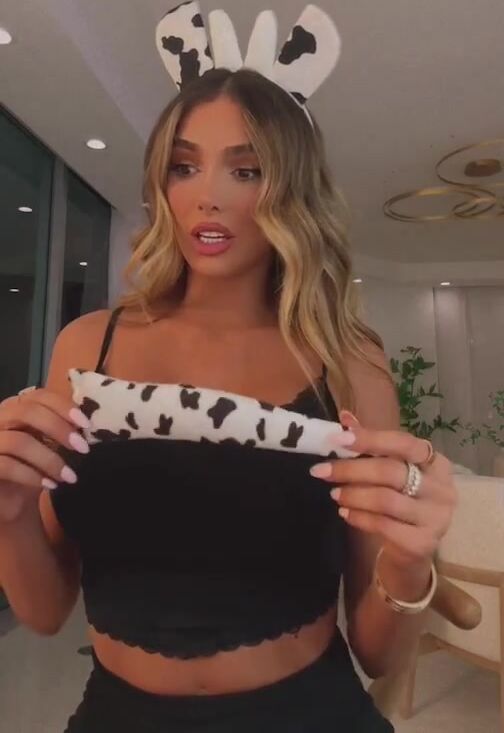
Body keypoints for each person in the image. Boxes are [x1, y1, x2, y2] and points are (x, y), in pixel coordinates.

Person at [0, 3, 457, 731]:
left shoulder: (348, 363)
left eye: (246, 170)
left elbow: (379, 655)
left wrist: (410, 559)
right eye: (184, 166)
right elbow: (46, 609)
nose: (207, 195)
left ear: (291, 191)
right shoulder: (88, 348)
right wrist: (10, 508)